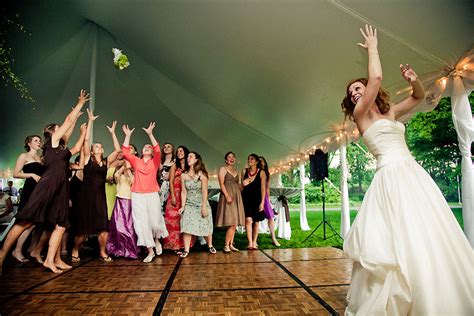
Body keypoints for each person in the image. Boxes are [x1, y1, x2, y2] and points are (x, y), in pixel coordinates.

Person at [341, 25, 473, 315]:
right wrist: (373, 48)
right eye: (351, 93)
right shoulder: (361, 117)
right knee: (395, 237)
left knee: (425, 228)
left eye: (357, 88)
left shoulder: (389, 113)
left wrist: (415, 82)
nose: (354, 93)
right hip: (388, 177)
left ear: (367, 90)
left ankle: (433, 286)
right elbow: (375, 77)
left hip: (412, 173)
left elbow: (417, 97)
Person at [0, 89, 90, 275]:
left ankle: (50, 259)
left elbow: (73, 141)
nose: (63, 130)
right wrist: (79, 104)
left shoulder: (62, 149)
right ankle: (1, 256)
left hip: (61, 187)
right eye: (59, 129)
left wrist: (82, 130)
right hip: (48, 184)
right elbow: (67, 123)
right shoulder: (52, 142)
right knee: (25, 221)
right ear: (52, 132)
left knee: (60, 224)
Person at [71, 112, 120, 262]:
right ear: (92, 151)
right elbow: (86, 139)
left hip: (100, 198)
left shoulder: (106, 162)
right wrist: (90, 121)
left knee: (104, 228)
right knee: (83, 232)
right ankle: (74, 249)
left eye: (100, 146)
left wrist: (113, 133)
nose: (99, 147)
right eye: (96, 146)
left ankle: (102, 252)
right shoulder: (86, 160)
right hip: (87, 198)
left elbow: (119, 151)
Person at [122, 122, 168, 263]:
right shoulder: (136, 161)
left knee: (154, 222)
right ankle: (150, 250)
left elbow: (158, 149)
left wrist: (150, 134)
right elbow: (125, 152)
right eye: (145, 147)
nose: (147, 147)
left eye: (149, 147)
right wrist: (128, 136)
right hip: (137, 195)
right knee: (142, 223)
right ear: (142, 152)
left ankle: (156, 239)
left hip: (152, 194)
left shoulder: (154, 162)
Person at [10, 135, 44, 263]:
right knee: (25, 222)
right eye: (36, 140)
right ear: (29, 143)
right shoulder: (24, 156)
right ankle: (16, 250)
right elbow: (16, 173)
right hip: (30, 191)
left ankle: (31, 249)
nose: (38, 142)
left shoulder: (41, 158)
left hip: (40, 191)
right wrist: (32, 174)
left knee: (35, 223)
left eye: (39, 141)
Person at [178, 151, 215, 258]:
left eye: (190, 156)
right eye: (188, 157)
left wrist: (204, 207)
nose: (188, 158)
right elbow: (183, 192)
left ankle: (210, 245)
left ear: (196, 160)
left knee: (205, 225)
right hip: (189, 203)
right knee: (187, 225)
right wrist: (183, 206)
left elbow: (204, 191)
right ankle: (186, 250)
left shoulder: (202, 174)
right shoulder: (183, 175)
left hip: (201, 203)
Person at [106, 160, 139, 259]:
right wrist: (124, 167)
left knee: (129, 227)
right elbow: (116, 176)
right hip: (120, 200)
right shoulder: (119, 173)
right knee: (117, 226)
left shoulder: (134, 173)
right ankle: (118, 249)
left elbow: (133, 181)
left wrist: (128, 169)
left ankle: (130, 250)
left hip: (129, 201)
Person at [162, 145, 192, 252]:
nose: (179, 153)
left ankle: (185, 245)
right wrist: (173, 196)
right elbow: (170, 181)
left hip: (187, 195)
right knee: (172, 219)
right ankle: (173, 244)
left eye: (182, 151)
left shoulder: (190, 166)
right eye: (178, 151)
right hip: (175, 194)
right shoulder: (175, 166)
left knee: (184, 220)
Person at [215, 151, 245, 253]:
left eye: (233, 156)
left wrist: (244, 184)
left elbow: (239, 186)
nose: (231, 158)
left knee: (235, 222)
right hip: (228, 196)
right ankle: (226, 245)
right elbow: (221, 184)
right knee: (232, 222)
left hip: (236, 197)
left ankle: (231, 244)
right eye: (229, 157)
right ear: (226, 160)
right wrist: (227, 195)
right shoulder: (223, 169)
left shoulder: (236, 171)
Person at [241, 154, 266, 250]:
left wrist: (262, 202)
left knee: (256, 222)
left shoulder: (261, 172)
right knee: (248, 220)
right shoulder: (244, 171)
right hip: (246, 199)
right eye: (248, 159)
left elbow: (263, 188)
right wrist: (244, 183)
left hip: (257, 199)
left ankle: (254, 241)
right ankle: (250, 243)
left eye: (252, 159)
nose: (249, 160)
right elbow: (241, 187)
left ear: (256, 162)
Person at [259, 156, 280, 247]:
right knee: (254, 219)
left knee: (270, 217)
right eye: (260, 162)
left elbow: (267, 187)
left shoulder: (267, 173)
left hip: (265, 198)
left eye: (263, 161)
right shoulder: (255, 172)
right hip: (256, 197)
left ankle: (273, 238)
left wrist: (268, 200)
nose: (261, 163)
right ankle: (252, 241)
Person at [158, 142, 175, 213]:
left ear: (172, 149)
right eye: (165, 147)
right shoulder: (160, 161)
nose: (166, 148)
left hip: (170, 187)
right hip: (160, 186)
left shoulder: (175, 161)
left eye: (168, 146)